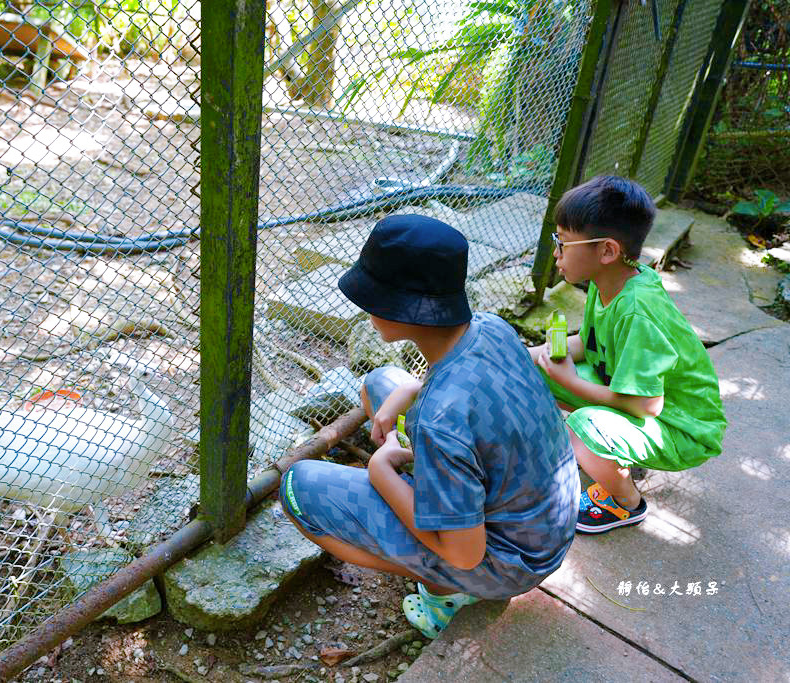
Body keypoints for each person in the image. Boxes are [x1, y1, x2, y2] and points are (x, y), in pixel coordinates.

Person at [279, 214, 579, 639]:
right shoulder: (491, 327)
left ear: (405, 307)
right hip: (547, 524)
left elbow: (464, 553)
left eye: (374, 297)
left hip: (507, 562)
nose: (366, 308)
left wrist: (381, 472)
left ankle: (444, 595)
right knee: (381, 383)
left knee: (298, 486)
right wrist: (410, 391)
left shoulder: (440, 421)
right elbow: (469, 389)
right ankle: (437, 513)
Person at [529, 175, 726, 535]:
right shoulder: (608, 282)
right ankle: (615, 449)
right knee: (540, 370)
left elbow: (646, 405)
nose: (556, 252)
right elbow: (587, 345)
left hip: (680, 427)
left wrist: (569, 381)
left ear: (606, 251)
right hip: (644, 405)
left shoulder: (638, 310)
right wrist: (527, 355)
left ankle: (625, 503)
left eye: (563, 242)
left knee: (581, 427)